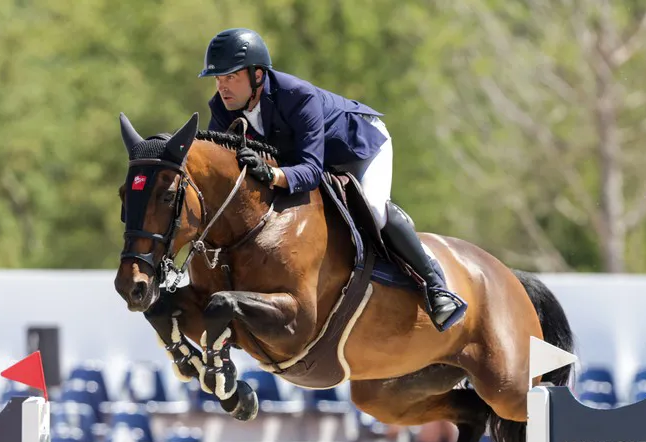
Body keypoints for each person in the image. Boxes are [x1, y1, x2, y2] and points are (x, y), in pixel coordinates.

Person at [198, 28, 463, 331]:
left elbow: (310, 169)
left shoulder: (297, 95)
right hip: (305, 160)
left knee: (375, 209)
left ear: (257, 75)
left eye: (230, 77)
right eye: (218, 79)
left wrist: (272, 174)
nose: (222, 87)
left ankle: (437, 287)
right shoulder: (221, 109)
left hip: (359, 148)